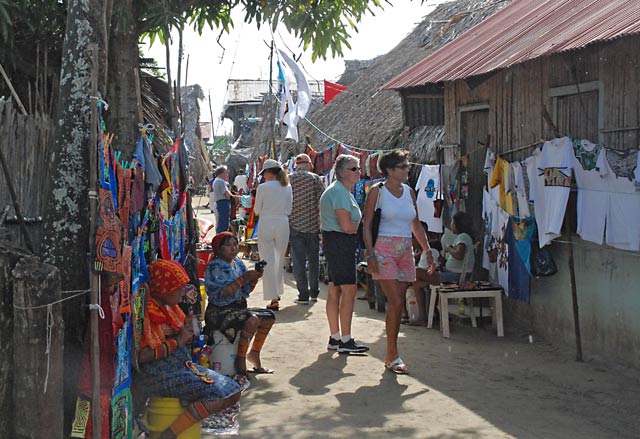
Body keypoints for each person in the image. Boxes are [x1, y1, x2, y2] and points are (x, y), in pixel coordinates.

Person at [136, 259, 243, 439]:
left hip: (180, 368)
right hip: (160, 375)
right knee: (225, 394)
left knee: (232, 390)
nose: (182, 291)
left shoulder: (170, 307)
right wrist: (178, 340)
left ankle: (173, 430)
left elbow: (184, 341)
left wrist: (189, 332)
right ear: (164, 289)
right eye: (177, 288)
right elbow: (142, 356)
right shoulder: (148, 313)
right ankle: (169, 434)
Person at [363, 150, 435, 374]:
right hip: (383, 248)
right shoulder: (378, 192)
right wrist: (370, 255)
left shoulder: (410, 193)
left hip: (405, 250)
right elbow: (366, 225)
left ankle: (391, 353)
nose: (407, 170)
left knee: (399, 301)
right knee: (395, 300)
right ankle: (392, 354)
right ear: (390, 170)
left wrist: (427, 250)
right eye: (403, 166)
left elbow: (415, 224)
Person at [204, 232, 276, 376]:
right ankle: (240, 360)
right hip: (219, 311)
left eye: (235, 244)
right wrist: (243, 278)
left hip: (237, 308)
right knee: (252, 319)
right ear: (218, 249)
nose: (233, 248)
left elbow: (246, 290)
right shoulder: (215, 266)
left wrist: (255, 277)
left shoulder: (238, 263)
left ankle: (254, 353)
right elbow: (221, 293)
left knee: (269, 316)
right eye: (228, 245)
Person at [319, 154, 369, 354]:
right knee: (348, 290)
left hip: (336, 243)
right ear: (342, 172)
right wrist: (364, 225)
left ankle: (336, 337)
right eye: (354, 169)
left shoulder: (340, 191)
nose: (359, 172)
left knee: (335, 290)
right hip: (341, 243)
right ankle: (345, 340)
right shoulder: (339, 192)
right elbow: (347, 226)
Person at [254, 159, 292, 310]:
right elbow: (289, 209)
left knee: (267, 260)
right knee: (279, 259)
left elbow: (257, 210)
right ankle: (277, 292)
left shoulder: (263, 188)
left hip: (266, 223)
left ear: (268, 172)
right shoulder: (287, 187)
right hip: (283, 224)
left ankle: (273, 297)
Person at [288, 153, 325, 304]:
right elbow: (322, 201)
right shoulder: (315, 179)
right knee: (313, 260)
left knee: (298, 261)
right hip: (313, 226)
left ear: (296, 165)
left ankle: (303, 294)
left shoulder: (289, 178)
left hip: (295, 225)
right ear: (309, 164)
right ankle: (314, 292)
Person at [440, 211, 475, 283]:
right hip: (454, 273)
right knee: (419, 281)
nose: (451, 225)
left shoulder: (463, 236)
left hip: (456, 276)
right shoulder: (464, 237)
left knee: (419, 274)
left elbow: (459, 255)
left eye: (452, 222)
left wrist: (448, 248)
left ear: (458, 225)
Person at [212, 165, 233, 233]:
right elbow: (227, 194)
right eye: (226, 173)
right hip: (223, 203)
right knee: (223, 223)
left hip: (220, 203)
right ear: (222, 173)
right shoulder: (220, 181)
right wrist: (234, 196)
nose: (227, 174)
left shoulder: (216, 180)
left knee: (221, 222)